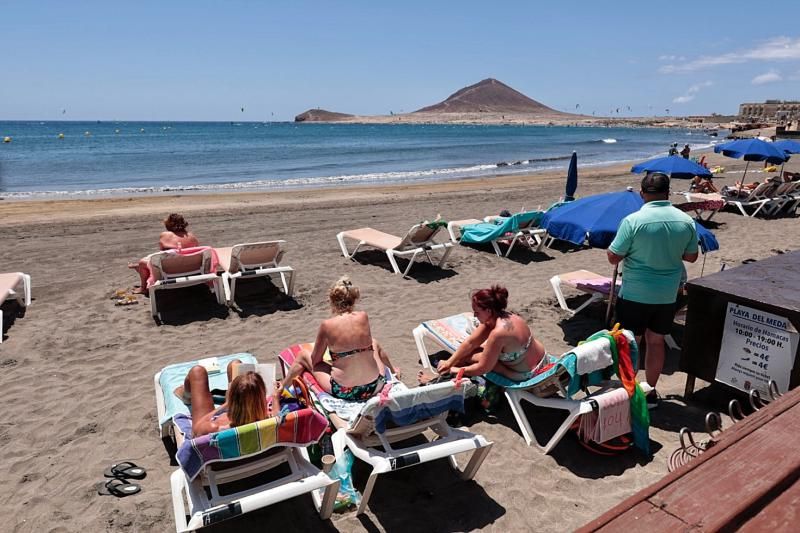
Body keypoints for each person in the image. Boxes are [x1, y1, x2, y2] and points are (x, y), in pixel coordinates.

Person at [607, 173, 698, 409]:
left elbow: (613, 257)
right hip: (667, 295)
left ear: (642, 193)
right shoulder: (685, 221)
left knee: (631, 343)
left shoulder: (633, 221)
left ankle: (629, 391)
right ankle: (650, 391)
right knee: (656, 342)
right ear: (668, 193)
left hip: (635, 293)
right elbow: (691, 256)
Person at [281, 277, 399, 401]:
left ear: (332, 301)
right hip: (375, 385)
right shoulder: (363, 316)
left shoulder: (327, 325)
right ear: (354, 299)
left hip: (345, 391)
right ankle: (393, 371)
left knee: (303, 355)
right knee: (374, 343)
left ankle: (282, 388)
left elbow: (315, 360)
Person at [418, 285, 546, 383]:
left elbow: (482, 368)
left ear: (488, 310)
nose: (474, 315)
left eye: (477, 312)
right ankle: (442, 373)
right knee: (471, 352)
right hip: (542, 359)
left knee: (473, 358)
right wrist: (449, 362)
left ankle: (437, 381)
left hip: (528, 374)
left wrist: (454, 369)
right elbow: (470, 342)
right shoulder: (505, 317)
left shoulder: (498, 333)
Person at [176, 359, 278, 437]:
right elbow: (277, 415)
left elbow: (196, 431)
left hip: (224, 421)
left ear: (232, 397)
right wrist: (275, 397)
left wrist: (226, 404)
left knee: (197, 371)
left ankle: (187, 396)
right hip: (246, 415)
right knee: (235, 364)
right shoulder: (271, 420)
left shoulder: (215, 427)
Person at [129, 214, 200, 294]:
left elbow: (162, 248)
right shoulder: (191, 236)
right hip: (192, 268)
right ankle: (139, 267)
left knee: (142, 262)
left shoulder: (166, 235)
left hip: (171, 270)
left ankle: (143, 288)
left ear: (169, 224)